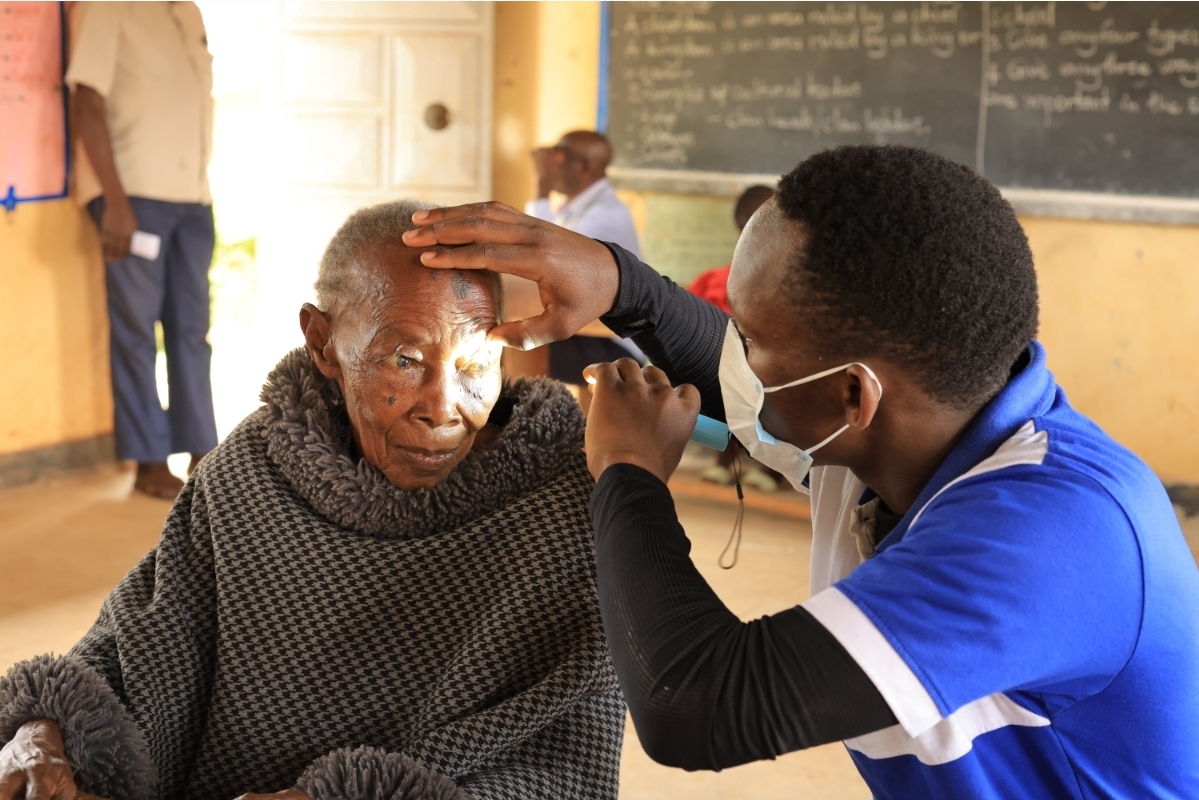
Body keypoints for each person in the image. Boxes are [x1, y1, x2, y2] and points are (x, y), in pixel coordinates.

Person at [400, 146, 1199, 799]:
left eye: (750, 337)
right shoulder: (899, 439)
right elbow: (735, 377)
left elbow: (697, 706)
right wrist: (619, 282)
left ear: (852, 395)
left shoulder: (1052, 539)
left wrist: (629, 473)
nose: (732, 354)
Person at [0, 200, 624, 800]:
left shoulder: (565, 513)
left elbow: (560, 759)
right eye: (405, 360)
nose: (442, 408)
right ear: (322, 342)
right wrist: (43, 730)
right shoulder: (253, 469)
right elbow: (139, 641)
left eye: (477, 362)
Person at [67, 2, 219, 499]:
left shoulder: (186, 12)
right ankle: (149, 461)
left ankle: (204, 453)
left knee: (191, 331)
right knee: (136, 333)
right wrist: (112, 201)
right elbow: (86, 100)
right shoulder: (108, 6)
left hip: (193, 201)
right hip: (131, 201)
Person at [525, 131, 643, 389]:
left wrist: (542, 186)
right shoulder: (576, 209)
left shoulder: (605, 215)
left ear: (585, 167)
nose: (549, 165)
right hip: (587, 331)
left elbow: (545, 260)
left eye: (558, 156)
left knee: (512, 347)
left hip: (614, 348)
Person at [687, 185, 778, 492]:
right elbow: (688, 320)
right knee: (722, 377)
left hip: (770, 367)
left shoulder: (790, 280)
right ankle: (726, 460)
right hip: (728, 364)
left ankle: (772, 467)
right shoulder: (716, 280)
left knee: (770, 381)